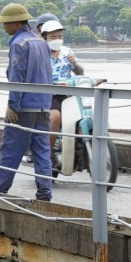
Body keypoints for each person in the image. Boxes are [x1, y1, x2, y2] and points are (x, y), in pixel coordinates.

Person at [0, 3, 52, 201]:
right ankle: (44, 192)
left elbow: (17, 77)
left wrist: (12, 105)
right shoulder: (41, 41)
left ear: (16, 23)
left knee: (11, 147)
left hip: (24, 106)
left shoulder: (18, 44)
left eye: (6, 23)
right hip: (43, 104)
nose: (4, 27)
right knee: (41, 150)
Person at [39, 18, 84, 160]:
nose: (57, 40)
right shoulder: (40, 53)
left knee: (83, 115)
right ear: (44, 37)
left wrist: (75, 64)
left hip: (69, 92)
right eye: (53, 37)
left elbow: (80, 73)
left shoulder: (67, 52)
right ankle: (47, 154)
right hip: (50, 94)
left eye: (60, 36)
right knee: (55, 117)